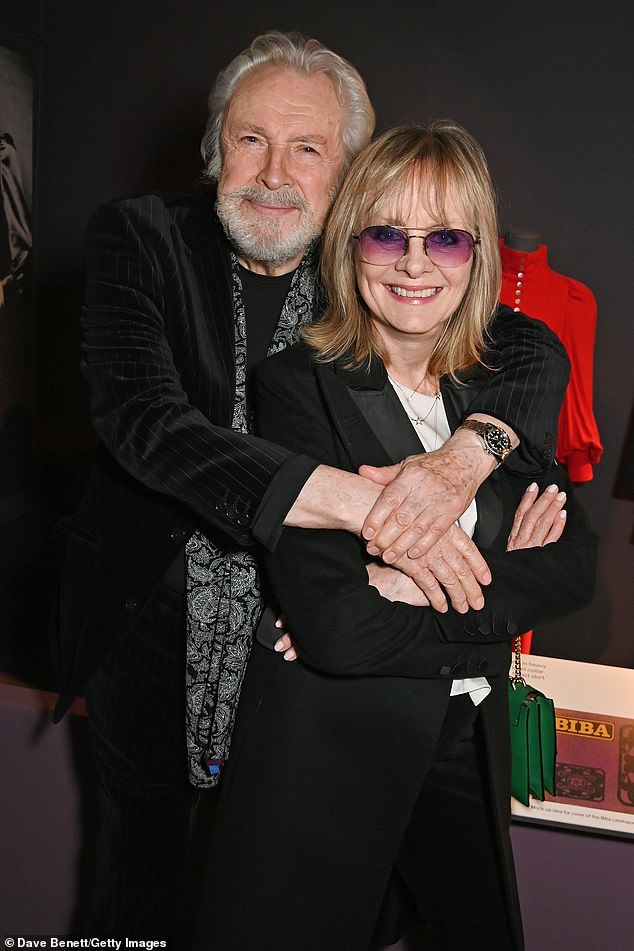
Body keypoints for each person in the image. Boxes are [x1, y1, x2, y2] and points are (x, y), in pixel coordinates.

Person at [49, 33, 569, 939]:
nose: (273, 173)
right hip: (150, 623)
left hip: (311, 639)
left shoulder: (370, 266)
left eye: (309, 148)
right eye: (250, 139)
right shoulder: (141, 237)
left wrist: (461, 461)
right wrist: (382, 507)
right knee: (135, 883)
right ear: (216, 150)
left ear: (348, 173)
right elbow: (150, 427)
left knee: (290, 899)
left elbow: (526, 346)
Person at [192, 123, 598, 951]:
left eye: (445, 237)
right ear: (352, 248)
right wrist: (495, 577)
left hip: (463, 739)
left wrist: (408, 582)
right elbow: (337, 627)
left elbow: (575, 564)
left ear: (477, 253)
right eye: (388, 233)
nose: (416, 262)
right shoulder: (297, 383)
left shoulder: (499, 391)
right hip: (333, 751)